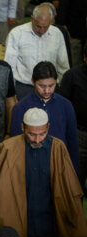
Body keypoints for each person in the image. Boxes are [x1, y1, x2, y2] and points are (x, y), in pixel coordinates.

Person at [0, 107, 87, 237]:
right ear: (22, 127)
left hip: (50, 217)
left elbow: (69, 190)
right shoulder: (7, 148)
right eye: (31, 134)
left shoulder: (58, 148)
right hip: (21, 215)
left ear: (48, 127)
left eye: (42, 134)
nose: (37, 140)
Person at [10, 61, 79, 174]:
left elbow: (72, 142)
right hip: (31, 169)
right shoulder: (21, 107)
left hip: (60, 166)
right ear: (33, 81)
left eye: (51, 86)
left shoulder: (66, 105)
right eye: (42, 86)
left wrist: (74, 173)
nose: (47, 91)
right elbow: (16, 145)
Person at [4, 4, 69, 100]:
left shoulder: (57, 34)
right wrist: (11, 92)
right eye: (38, 26)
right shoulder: (17, 34)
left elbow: (63, 64)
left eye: (46, 27)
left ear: (51, 21)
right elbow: (9, 66)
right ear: (32, 19)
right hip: (24, 86)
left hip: (49, 87)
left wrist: (63, 88)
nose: (42, 31)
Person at [59, 45, 87, 194]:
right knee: (76, 182)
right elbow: (62, 107)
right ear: (84, 57)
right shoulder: (72, 76)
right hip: (79, 134)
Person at [56, 0, 87, 67]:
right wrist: (64, 30)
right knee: (74, 62)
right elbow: (62, 11)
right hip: (73, 33)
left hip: (82, 32)